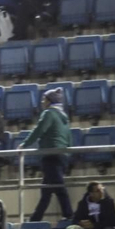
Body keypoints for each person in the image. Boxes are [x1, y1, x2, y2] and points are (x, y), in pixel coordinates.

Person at [22, 88, 73, 221]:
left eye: (44, 99)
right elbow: (69, 137)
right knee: (46, 190)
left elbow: (39, 130)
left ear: (50, 101)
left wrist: (24, 144)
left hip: (51, 155)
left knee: (58, 187)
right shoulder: (63, 116)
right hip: (61, 155)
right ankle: (36, 218)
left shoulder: (49, 113)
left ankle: (68, 214)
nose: (42, 101)